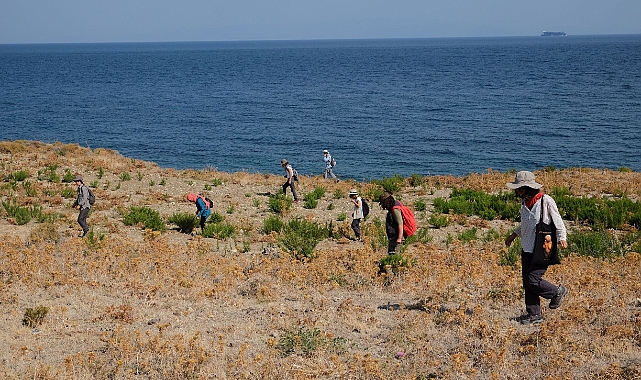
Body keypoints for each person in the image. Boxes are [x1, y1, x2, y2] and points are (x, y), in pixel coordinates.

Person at [504, 171, 569, 326]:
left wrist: (562, 238)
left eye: (520, 188)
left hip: (543, 247)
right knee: (527, 282)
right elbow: (526, 225)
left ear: (528, 187)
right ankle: (534, 315)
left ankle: (557, 292)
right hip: (527, 246)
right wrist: (513, 235)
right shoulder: (525, 203)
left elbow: (558, 221)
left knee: (532, 279)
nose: (517, 191)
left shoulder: (546, 201)